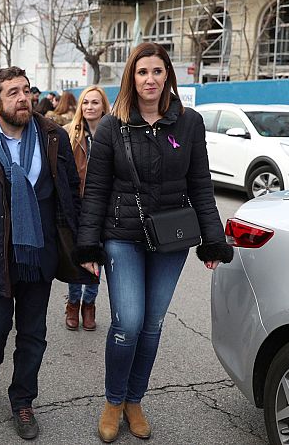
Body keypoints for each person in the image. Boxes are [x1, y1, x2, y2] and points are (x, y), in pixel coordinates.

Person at [73, 43, 232, 442]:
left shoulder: (190, 123)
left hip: (170, 239)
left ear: (168, 77)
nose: (150, 79)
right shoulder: (113, 125)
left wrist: (213, 239)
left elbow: (200, 185)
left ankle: (134, 400)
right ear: (132, 77)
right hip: (121, 236)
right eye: (142, 72)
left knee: (152, 325)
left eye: (157, 72)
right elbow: (95, 191)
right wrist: (88, 245)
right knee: (128, 323)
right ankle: (113, 401)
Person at [0, 66, 91, 440]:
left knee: (33, 334)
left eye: (25, 91)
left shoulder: (53, 138)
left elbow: (73, 199)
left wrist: (84, 247)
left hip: (39, 255)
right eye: (12, 93)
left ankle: (23, 401)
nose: (23, 98)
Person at [62, 85, 110, 331]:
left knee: (97, 256)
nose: (90, 107)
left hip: (103, 205)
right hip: (77, 206)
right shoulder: (70, 133)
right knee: (77, 257)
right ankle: (73, 302)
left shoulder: (113, 132)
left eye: (95, 103)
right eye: (86, 103)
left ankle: (89, 304)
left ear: (103, 106)